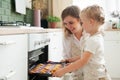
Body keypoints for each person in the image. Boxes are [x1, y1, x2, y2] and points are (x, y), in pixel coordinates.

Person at [53, 5, 111, 80]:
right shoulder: (96, 37)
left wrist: (63, 71)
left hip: (95, 76)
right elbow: (86, 56)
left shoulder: (92, 40)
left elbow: (83, 61)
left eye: (82, 22)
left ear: (91, 22)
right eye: (65, 24)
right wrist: (70, 60)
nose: (82, 25)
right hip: (87, 75)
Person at [61, 5, 89, 80]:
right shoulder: (68, 38)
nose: (68, 26)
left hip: (91, 73)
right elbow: (67, 57)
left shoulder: (89, 34)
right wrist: (65, 64)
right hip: (76, 74)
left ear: (80, 20)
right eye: (65, 24)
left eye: (71, 22)